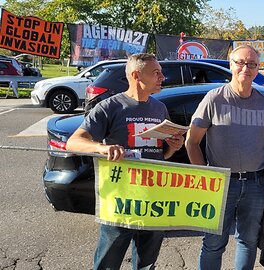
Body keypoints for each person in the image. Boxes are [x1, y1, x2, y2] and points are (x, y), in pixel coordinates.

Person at [66, 53, 184, 270]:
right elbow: (73, 142)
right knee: (108, 262)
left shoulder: (159, 108)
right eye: (156, 72)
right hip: (120, 198)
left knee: (147, 262)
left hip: (153, 198)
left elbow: (157, 154)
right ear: (136, 75)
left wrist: (172, 148)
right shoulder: (110, 106)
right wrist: (101, 147)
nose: (163, 77)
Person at [185, 45, 264, 270]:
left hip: (256, 183)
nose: (245, 68)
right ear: (230, 64)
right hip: (220, 183)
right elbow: (192, 142)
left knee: (248, 241)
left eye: (252, 64)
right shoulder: (214, 99)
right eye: (240, 62)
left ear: (258, 69)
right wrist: (204, 177)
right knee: (213, 243)